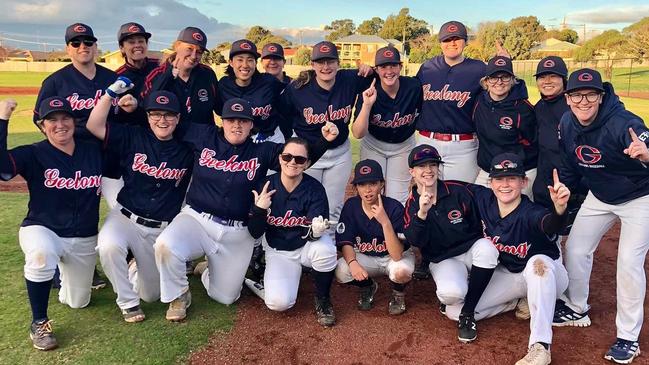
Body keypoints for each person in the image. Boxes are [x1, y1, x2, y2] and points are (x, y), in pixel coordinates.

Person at [153, 98, 339, 321]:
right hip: (197, 219)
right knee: (166, 244)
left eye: (243, 121)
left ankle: (207, 272)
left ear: (252, 125)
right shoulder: (203, 135)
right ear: (222, 121)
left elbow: (296, 159)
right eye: (231, 120)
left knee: (226, 297)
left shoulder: (262, 151)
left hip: (238, 231)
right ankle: (178, 295)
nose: (237, 126)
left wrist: (324, 141)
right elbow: (166, 123)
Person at [553, 68, 649, 364]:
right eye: (577, 95)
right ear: (567, 99)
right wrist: (565, 195)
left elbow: (646, 143)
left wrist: (646, 154)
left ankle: (628, 337)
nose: (584, 101)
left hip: (639, 196)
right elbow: (569, 164)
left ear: (601, 95)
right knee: (577, 248)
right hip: (600, 194)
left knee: (629, 262)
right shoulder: (567, 122)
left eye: (591, 94)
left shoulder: (624, 122)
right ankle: (577, 306)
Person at [442, 153, 570, 365]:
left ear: (523, 182)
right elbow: (451, 187)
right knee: (454, 311)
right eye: (499, 179)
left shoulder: (531, 212)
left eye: (512, 178)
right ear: (490, 183)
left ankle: (541, 347)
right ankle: (517, 301)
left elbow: (551, 224)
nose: (505, 185)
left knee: (539, 263)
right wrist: (423, 187)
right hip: (512, 276)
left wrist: (559, 209)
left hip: (548, 275)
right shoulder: (483, 198)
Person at [1, 97, 105, 350]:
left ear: (74, 121)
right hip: (43, 228)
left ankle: (58, 273)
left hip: (84, 236)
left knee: (77, 301)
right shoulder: (34, 153)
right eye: (52, 120)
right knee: (40, 254)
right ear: (42, 126)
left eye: (65, 118)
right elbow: (2, 169)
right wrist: (2, 119)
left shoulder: (93, 151)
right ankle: (39, 322)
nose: (60, 125)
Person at [86, 80, 193, 323]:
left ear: (178, 118)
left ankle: (136, 269)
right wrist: (110, 93)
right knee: (108, 245)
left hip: (160, 227)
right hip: (125, 216)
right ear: (147, 116)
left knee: (152, 295)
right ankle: (127, 303)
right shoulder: (133, 136)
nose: (162, 121)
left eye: (168, 115)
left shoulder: (188, 148)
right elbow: (94, 125)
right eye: (156, 114)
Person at [33, 22, 111, 289]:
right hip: (71, 156)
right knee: (63, 207)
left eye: (87, 42)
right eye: (76, 43)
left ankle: (88, 264)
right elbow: (40, 119)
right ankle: (56, 264)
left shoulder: (110, 78)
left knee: (93, 211)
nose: (83, 47)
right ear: (68, 48)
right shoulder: (55, 81)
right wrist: (60, 150)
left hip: (106, 155)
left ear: (95, 46)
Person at [403, 145, 499, 342]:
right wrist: (422, 213)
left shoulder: (458, 190)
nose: (428, 170)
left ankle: (468, 314)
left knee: (488, 249)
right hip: (442, 260)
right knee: (450, 295)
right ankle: (484, 293)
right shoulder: (412, 203)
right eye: (421, 166)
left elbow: (492, 197)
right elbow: (415, 241)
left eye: (432, 164)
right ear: (412, 171)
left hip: (471, 250)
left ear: (439, 168)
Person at [244, 138, 338, 326]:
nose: (292, 162)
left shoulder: (314, 189)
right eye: (287, 156)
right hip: (279, 251)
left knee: (326, 250)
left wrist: (317, 232)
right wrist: (259, 211)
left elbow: (313, 233)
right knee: (278, 303)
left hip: (306, 247)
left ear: (307, 164)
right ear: (280, 159)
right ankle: (256, 282)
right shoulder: (265, 186)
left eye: (300, 159)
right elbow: (255, 232)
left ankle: (323, 299)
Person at [281, 40, 373, 229]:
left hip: (339, 153)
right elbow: (283, 114)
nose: (326, 66)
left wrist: (369, 68)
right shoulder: (298, 88)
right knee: (305, 202)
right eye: (320, 62)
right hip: (309, 155)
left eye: (330, 61)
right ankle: (301, 247)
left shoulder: (350, 79)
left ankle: (328, 246)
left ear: (338, 63)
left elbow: (377, 76)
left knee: (333, 206)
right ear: (312, 65)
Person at [334, 159, 414, 315]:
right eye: (362, 184)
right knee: (341, 270)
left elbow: (397, 255)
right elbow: (346, 241)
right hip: (367, 257)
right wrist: (352, 263)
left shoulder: (394, 207)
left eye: (372, 183)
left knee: (401, 271)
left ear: (381, 184)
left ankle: (398, 294)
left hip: (393, 258)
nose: (368, 190)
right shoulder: (351, 206)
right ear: (356, 187)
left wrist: (385, 222)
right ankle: (368, 286)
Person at [415, 21, 485, 183]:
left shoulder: (479, 69)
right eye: (447, 39)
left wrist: (505, 65)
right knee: (426, 195)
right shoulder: (427, 68)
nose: (452, 43)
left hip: (464, 146)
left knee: (460, 195)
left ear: (465, 42)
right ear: (440, 43)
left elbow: (502, 89)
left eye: (457, 38)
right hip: (428, 142)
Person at [352, 46, 421, 205]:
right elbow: (357, 133)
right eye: (383, 66)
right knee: (372, 194)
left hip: (403, 146)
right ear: (376, 69)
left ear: (400, 67)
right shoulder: (369, 89)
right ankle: (372, 230)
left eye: (393, 65)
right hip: (373, 145)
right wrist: (367, 105)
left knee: (398, 197)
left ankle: (395, 230)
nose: (389, 71)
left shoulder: (413, 87)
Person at [473, 55, 538, 199]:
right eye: (494, 77)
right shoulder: (479, 102)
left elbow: (532, 142)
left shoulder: (523, 108)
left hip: (518, 172)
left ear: (513, 80)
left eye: (505, 77)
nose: (499, 82)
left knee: (515, 215)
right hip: (488, 170)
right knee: (478, 208)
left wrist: (518, 173)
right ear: (486, 81)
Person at [142, 27, 219, 129]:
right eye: (189, 48)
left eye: (199, 52)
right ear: (177, 46)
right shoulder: (157, 75)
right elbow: (146, 107)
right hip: (171, 142)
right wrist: (168, 76)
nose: (193, 56)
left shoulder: (207, 74)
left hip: (204, 140)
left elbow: (219, 106)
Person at [217, 39, 287, 143]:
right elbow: (219, 110)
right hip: (239, 140)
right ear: (231, 62)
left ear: (255, 63)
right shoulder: (223, 85)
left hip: (270, 138)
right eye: (240, 60)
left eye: (250, 60)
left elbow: (290, 90)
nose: (245, 65)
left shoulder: (269, 81)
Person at [114, 22, 159, 126]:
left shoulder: (160, 67)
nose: (137, 45)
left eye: (141, 41)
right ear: (122, 48)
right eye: (131, 42)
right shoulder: (116, 77)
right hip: (133, 132)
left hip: (162, 128)